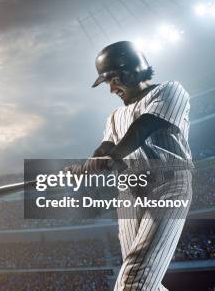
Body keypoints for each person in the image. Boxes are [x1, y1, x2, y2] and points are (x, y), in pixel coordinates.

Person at [76, 41, 193, 290]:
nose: (111, 89)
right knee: (139, 281)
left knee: (133, 281)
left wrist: (113, 156)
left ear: (130, 70)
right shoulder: (114, 116)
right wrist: (90, 163)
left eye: (112, 80)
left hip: (167, 186)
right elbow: (106, 146)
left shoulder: (170, 90)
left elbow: (145, 127)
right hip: (129, 192)